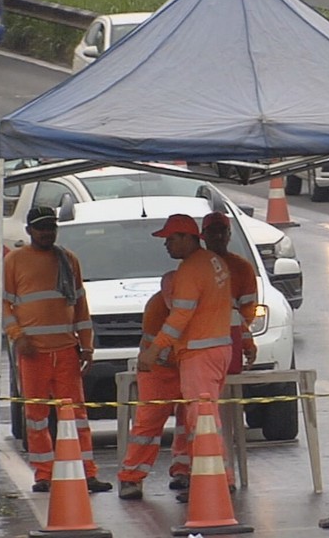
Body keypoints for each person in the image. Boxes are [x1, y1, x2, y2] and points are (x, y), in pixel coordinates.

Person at [2, 206, 112, 494]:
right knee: (36, 417)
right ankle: (44, 475)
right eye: (41, 228)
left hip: (66, 351)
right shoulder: (14, 261)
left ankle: (88, 473)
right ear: (29, 231)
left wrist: (87, 347)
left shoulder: (68, 260)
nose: (47, 232)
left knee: (76, 415)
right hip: (32, 352)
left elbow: (81, 307)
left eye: (51, 227)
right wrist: (17, 336)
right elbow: (4, 306)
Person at [137, 213, 234, 502]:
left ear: (188, 238)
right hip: (217, 350)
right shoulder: (214, 263)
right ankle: (215, 478)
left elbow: (180, 316)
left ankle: (213, 480)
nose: (166, 245)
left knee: (201, 419)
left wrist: (155, 350)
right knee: (206, 418)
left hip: (199, 352)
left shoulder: (191, 270)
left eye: (171, 239)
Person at [118, 272, 190, 500]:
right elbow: (158, 347)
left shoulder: (192, 303)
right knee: (148, 422)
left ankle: (184, 470)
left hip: (187, 366)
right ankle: (131, 477)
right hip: (158, 368)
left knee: (191, 421)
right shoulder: (156, 308)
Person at [201, 211, 258, 374]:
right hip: (200, 347)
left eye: (222, 231)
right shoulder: (194, 266)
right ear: (203, 235)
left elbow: (245, 313)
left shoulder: (243, 268)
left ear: (229, 234)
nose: (218, 236)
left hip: (231, 342)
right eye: (212, 231)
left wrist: (245, 340)